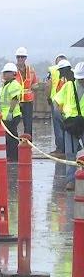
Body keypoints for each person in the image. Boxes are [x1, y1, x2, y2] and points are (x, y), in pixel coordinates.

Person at [53, 61, 84, 191]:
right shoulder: (68, 86)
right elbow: (56, 102)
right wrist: (63, 117)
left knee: (71, 153)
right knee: (70, 154)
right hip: (71, 124)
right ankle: (71, 180)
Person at [13, 47, 38, 138]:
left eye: (22, 57)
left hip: (28, 101)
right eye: (18, 57)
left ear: (25, 58)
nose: (20, 59)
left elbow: (35, 84)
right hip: (15, 101)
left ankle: (28, 144)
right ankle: (14, 143)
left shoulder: (31, 70)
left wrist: (31, 89)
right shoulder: (12, 70)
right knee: (13, 123)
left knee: (28, 124)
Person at [0, 62, 23, 162]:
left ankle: (14, 157)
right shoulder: (7, 85)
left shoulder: (14, 85)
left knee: (12, 137)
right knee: (9, 137)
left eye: (6, 72)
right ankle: (10, 155)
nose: (4, 75)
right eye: (4, 73)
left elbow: (14, 99)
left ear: (13, 73)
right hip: (6, 115)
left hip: (12, 115)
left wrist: (10, 112)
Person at [46, 54, 68, 157]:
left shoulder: (53, 70)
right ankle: (68, 147)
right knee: (67, 125)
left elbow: (48, 85)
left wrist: (48, 97)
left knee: (58, 126)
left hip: (56, 101)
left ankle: (60, 149)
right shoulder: (71, 71)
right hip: (68, 102)